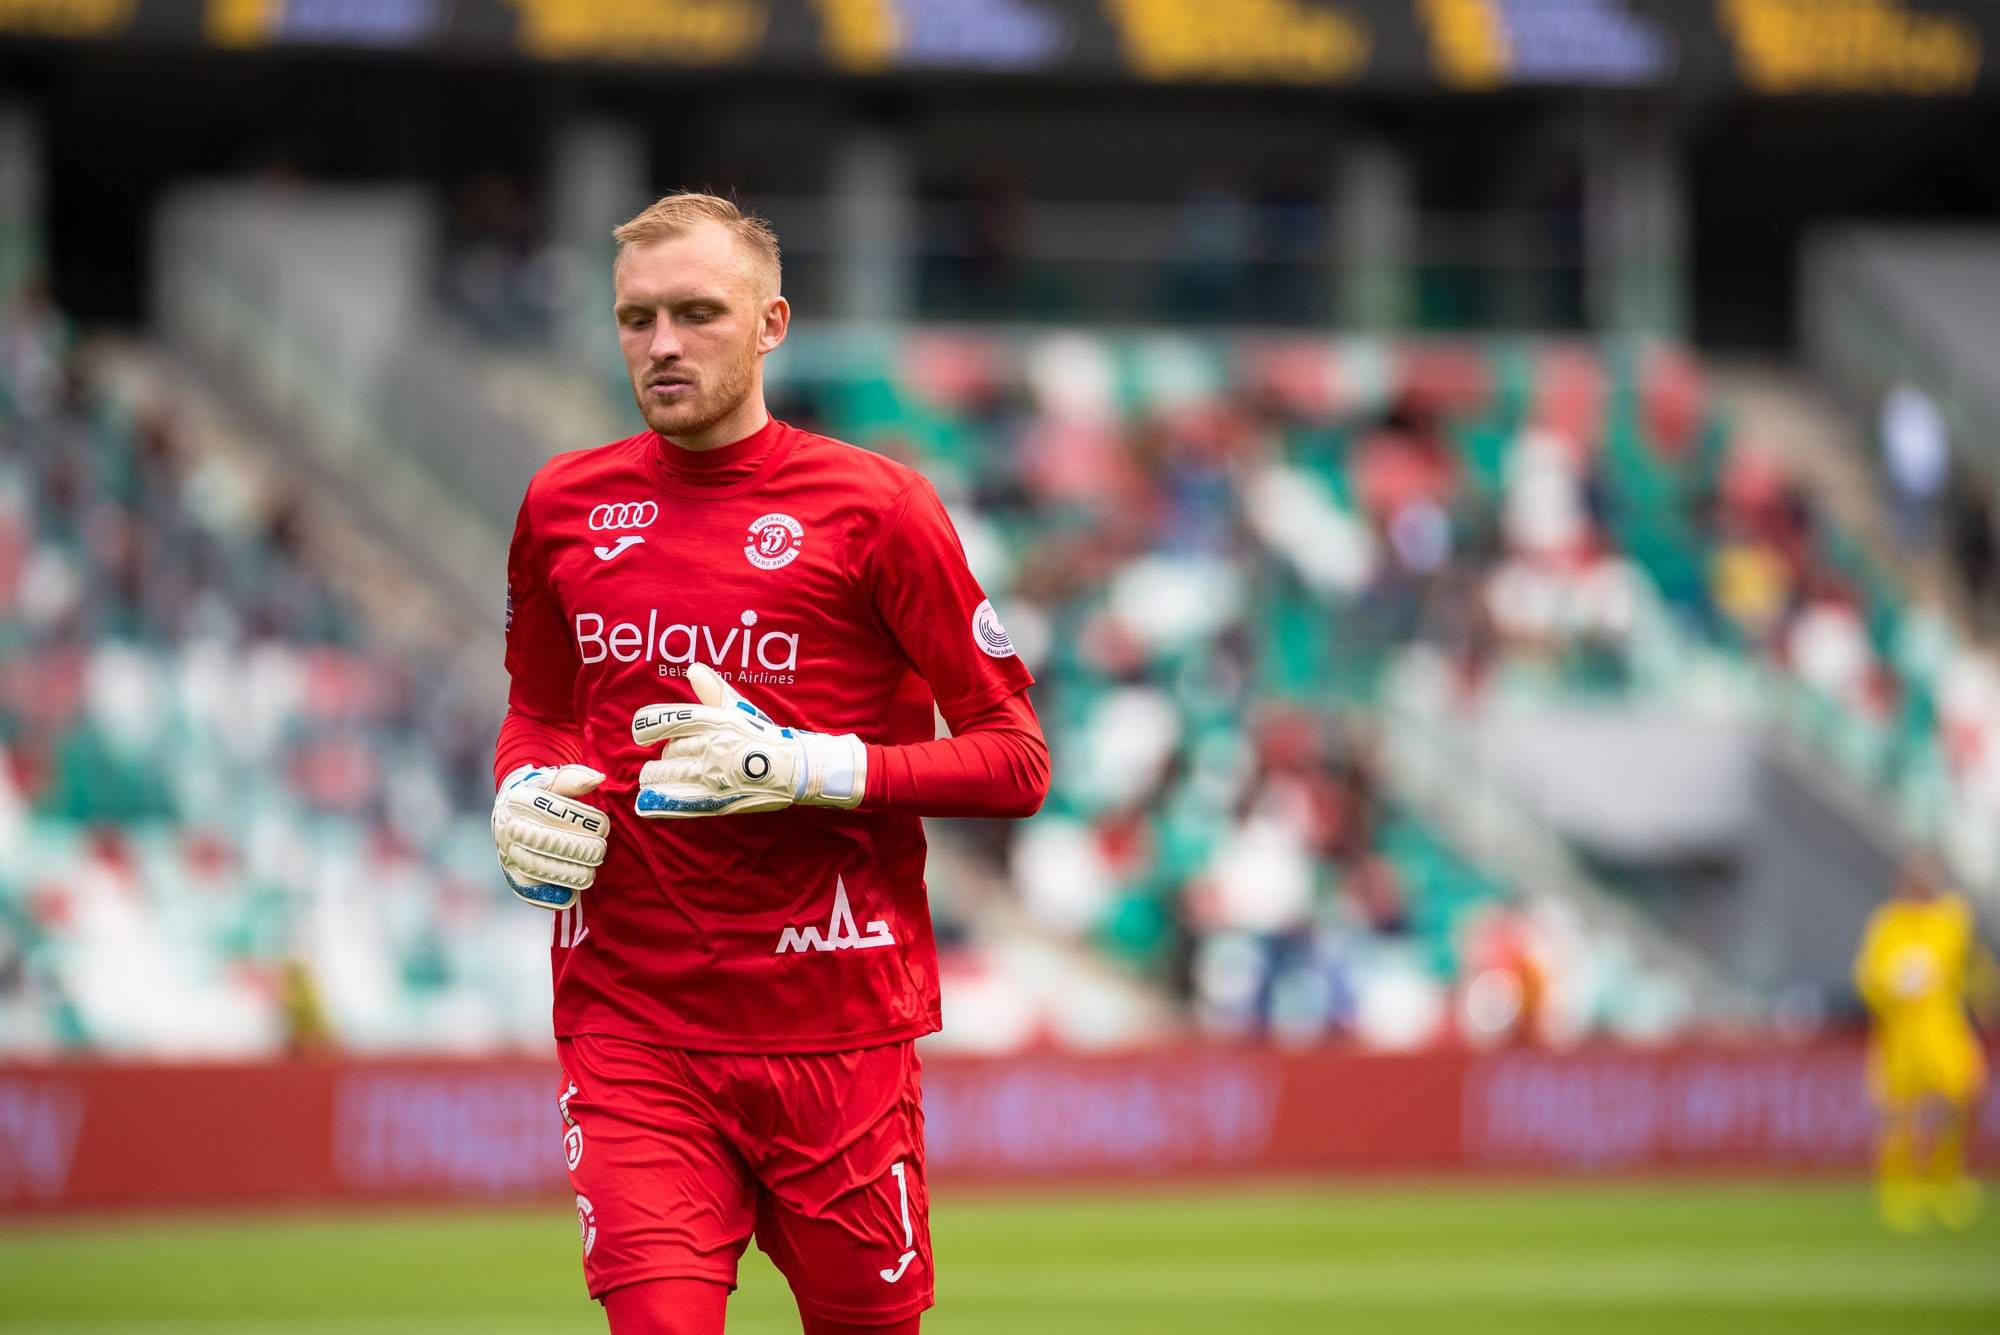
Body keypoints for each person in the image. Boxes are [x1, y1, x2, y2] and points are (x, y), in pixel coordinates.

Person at [489, 193, 1049, 1333]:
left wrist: (813, 769)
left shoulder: (878, 510)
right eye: (635, 318)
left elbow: (1014, 761)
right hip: (631, 1022)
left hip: (835, 1024)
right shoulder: (561, 504)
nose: (661, 345)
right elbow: (540, 710)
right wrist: (518, 789)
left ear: (770, 324)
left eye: (697, 313)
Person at [1852, 854, 1998, 1231]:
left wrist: (1985, 997)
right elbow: (1866, 980)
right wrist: (1892, 985)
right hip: (1901, 1032)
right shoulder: (1888, 923)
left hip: (1943, 1028)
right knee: (1902, 1114)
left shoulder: (1953, 919)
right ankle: (1900, 1189)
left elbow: (1975, 966)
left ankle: (1945, 1178)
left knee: (1964, 1097)